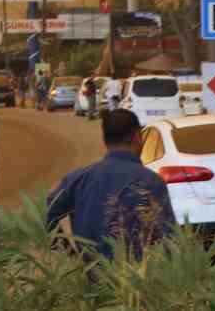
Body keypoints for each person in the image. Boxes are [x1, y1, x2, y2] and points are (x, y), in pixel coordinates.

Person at [46, 108, 174, 258]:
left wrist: (70, 254)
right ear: (137, 137)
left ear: (105, 140)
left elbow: (47, 213)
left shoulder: (79, 179)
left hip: (92, 275)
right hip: (140, 276)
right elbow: (169, 238)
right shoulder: (152, 182)